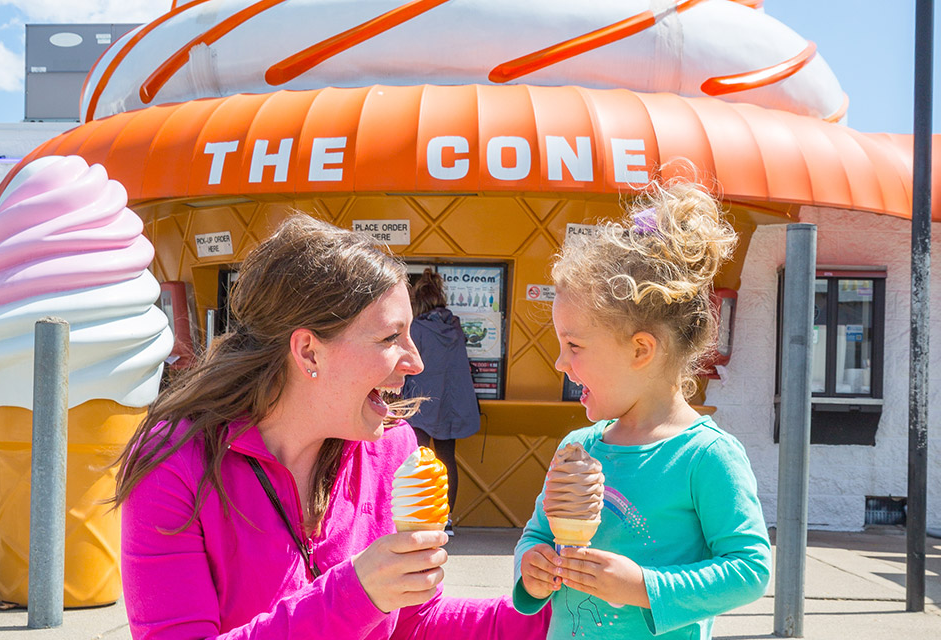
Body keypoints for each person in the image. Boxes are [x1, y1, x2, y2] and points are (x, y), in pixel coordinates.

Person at [113, 214, 550, 638]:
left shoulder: (392, 449)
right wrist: (358, 592)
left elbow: (415, 624)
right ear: (308, 352)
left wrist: (562, 612)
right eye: (388, 338)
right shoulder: (174, 465)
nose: (416, 361)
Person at [512, 181, 771, 639]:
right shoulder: (579, 449)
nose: (560, 362)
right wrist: (531, 569)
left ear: (640, 350)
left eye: (574, 345)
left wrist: (644, 587)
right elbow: (537, 534)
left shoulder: (706, 457)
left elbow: (750, 569)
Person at [403, 269, 481, 535]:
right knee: (447, 460)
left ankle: (420, 516)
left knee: (418, 461)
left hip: (421, 405)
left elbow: (409, 368)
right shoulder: (455, 327)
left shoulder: (416, 329)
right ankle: (446, 519)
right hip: (452, 406)